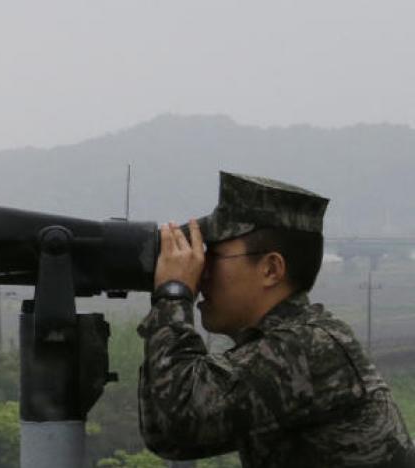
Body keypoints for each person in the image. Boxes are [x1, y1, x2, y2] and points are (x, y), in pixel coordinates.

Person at [138, 172, 415, 467]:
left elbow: (183, 417)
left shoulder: (309, 347)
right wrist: (168, 301)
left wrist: (173, 293)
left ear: (271, 269)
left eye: (213, 258)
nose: (201, 274)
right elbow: (168, 435)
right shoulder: (286, 343)